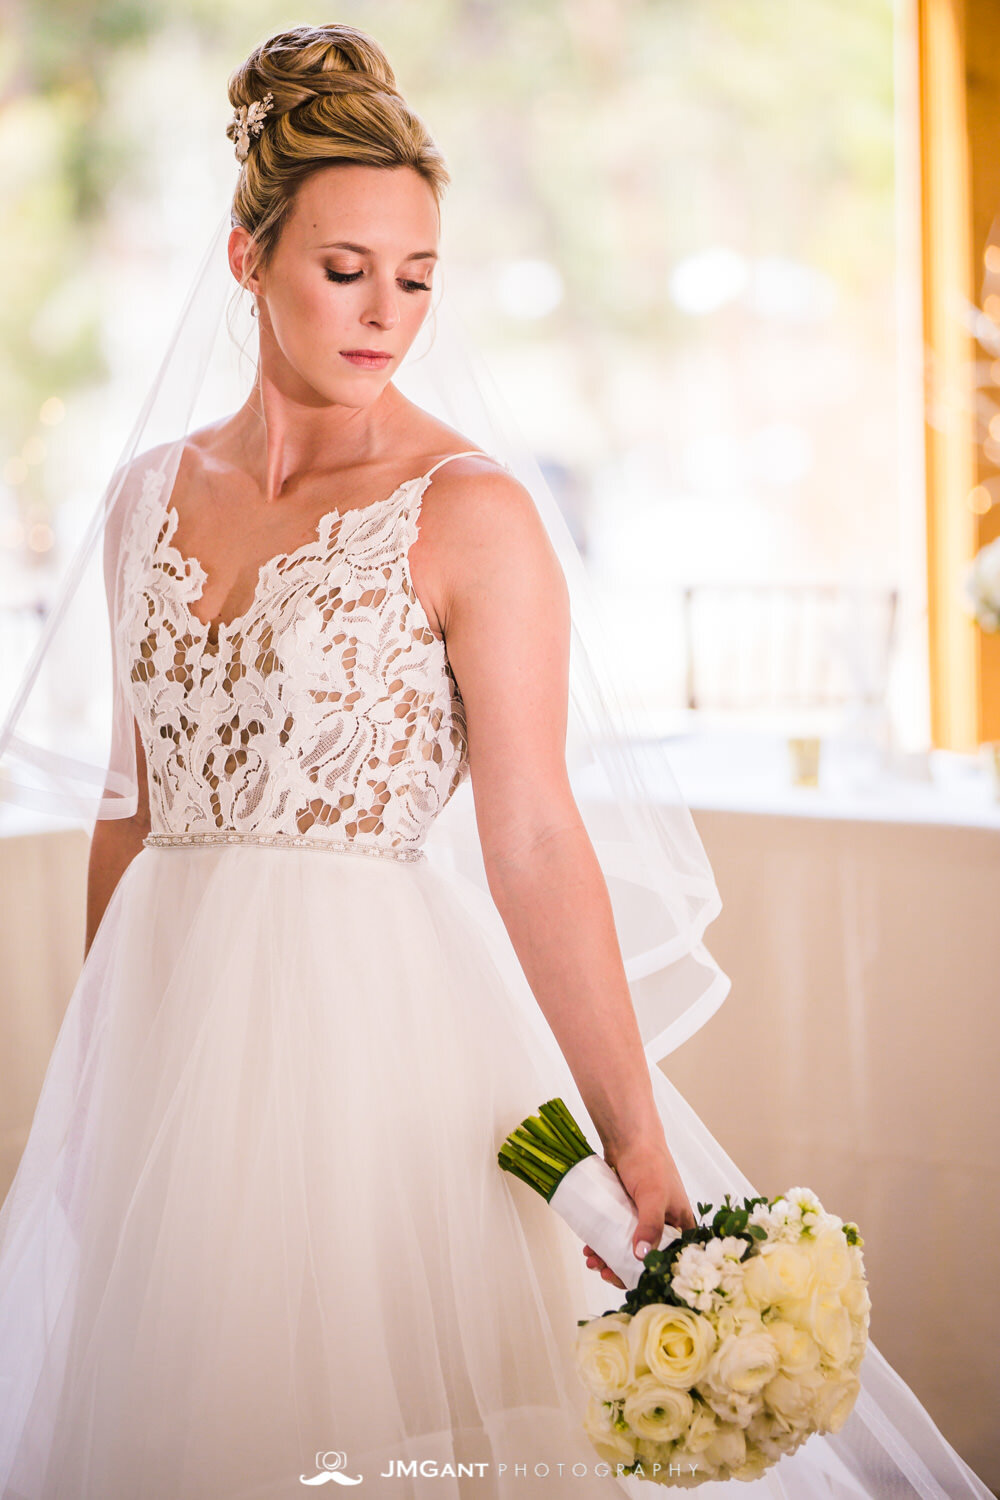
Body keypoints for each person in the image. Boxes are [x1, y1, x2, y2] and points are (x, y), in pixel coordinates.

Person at [0, 22, 993, 1500]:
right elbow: (124, 815)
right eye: (345, 270)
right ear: (245, 258)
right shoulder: (147, 495)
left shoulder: (470, 513)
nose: (385, 311)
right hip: (168, 1060)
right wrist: (96, 1085)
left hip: (374, 1038)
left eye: (416, 276)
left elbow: (531, 836)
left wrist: (635, 1136)